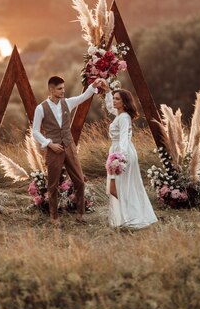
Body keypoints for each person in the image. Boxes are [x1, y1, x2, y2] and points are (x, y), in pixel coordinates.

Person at [32, 76, 102, 226]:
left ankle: (81, 215)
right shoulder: (41, 108)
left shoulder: (67, 103)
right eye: (59, 89)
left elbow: (83, 97)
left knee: (80, 181)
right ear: (51, 89)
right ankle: (54, 217)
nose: (63, 91)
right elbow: (35, 131)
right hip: (53, 150)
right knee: (52, 185)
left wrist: (93, 85)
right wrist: (49, 144)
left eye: (63, 88)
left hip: (70, 146)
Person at [101, 81, 158, 228]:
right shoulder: (119, 114)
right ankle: (125, 217)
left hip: (121, 153)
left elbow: (124, 139)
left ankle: (131, 217)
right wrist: (108, 91)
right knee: (119, 186)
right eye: (114, 98)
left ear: (124, 103)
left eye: (117, 99)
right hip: (117, 151)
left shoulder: (124, 117)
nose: (114, 101)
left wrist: (120, 158)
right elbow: (109, 107)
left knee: (122, 186)